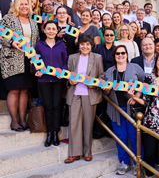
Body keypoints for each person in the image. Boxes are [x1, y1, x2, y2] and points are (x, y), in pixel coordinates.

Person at [128, 52, 159, 178]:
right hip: (150, 120)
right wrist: (134, 97)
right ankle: (149, 175)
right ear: (156, 63)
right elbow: (145, 101)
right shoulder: (149, 78)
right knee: (149, 153)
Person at [0, 0, 39, 131]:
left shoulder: (33, 22)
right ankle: (14, 121)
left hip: (28, 60)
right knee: (15, 89)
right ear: (16, 5)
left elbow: (36, 41)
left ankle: (23, 120)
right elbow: (1, 35)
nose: (24, 6)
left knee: (24, 90)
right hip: (12, 59)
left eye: (26, 4)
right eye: (21, 4)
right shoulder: (8, 19)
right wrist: (11, 42)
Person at [104, 45, 145, 175]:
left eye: (123, 53)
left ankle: (139, 163)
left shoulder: (135, 67)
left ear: (127, 55)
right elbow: (104, 90)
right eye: (117, 54)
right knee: (120, 137)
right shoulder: (109, 71)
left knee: (134, 137)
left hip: (131, 109)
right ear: (114, 56)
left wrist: (137, 96)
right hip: (115, 109)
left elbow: (145, 83)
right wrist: (107, 90)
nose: (120, 55)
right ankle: (124, 163)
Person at [64, 33, 104, 163]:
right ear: (79, 45)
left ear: (91, 45)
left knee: (88, 124)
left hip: (90, 95)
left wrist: (93, 84)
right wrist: (69, 81)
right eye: (82, 44)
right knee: (74, 123)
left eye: (87, 44)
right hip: (75, 93)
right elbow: (67, 76)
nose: (85, 46)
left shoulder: (97, 58)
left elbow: (102, 77)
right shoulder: (72, 57)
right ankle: (74, 153)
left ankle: (87, 152)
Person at [34, 21, 67, 147]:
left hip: (58, 80)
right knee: (48, 106)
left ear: (57, 31)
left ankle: (55, 133)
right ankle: (49, 133)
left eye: (53, 29)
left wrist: (63, 72)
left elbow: (65, 61)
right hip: (44, 80)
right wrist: (37, 70)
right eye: (49, 29)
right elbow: (35, 60)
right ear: (44, 30)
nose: (51, 31)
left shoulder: (61, 45)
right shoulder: (39, 45)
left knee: (57, 106)